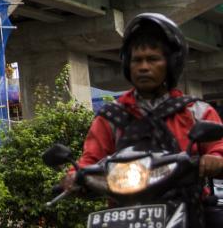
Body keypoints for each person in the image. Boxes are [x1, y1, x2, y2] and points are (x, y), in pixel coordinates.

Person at [64, 13, 223, 223]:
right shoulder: (111, 116)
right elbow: (90, 160)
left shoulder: (196, 112)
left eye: (153, 59)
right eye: (137, 60)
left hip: (188, 212)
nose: (143, 66)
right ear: (127, 65)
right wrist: (75, 175)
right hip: (123, 216)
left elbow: (218, 147)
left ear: (171, 63)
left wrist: (215, 160)